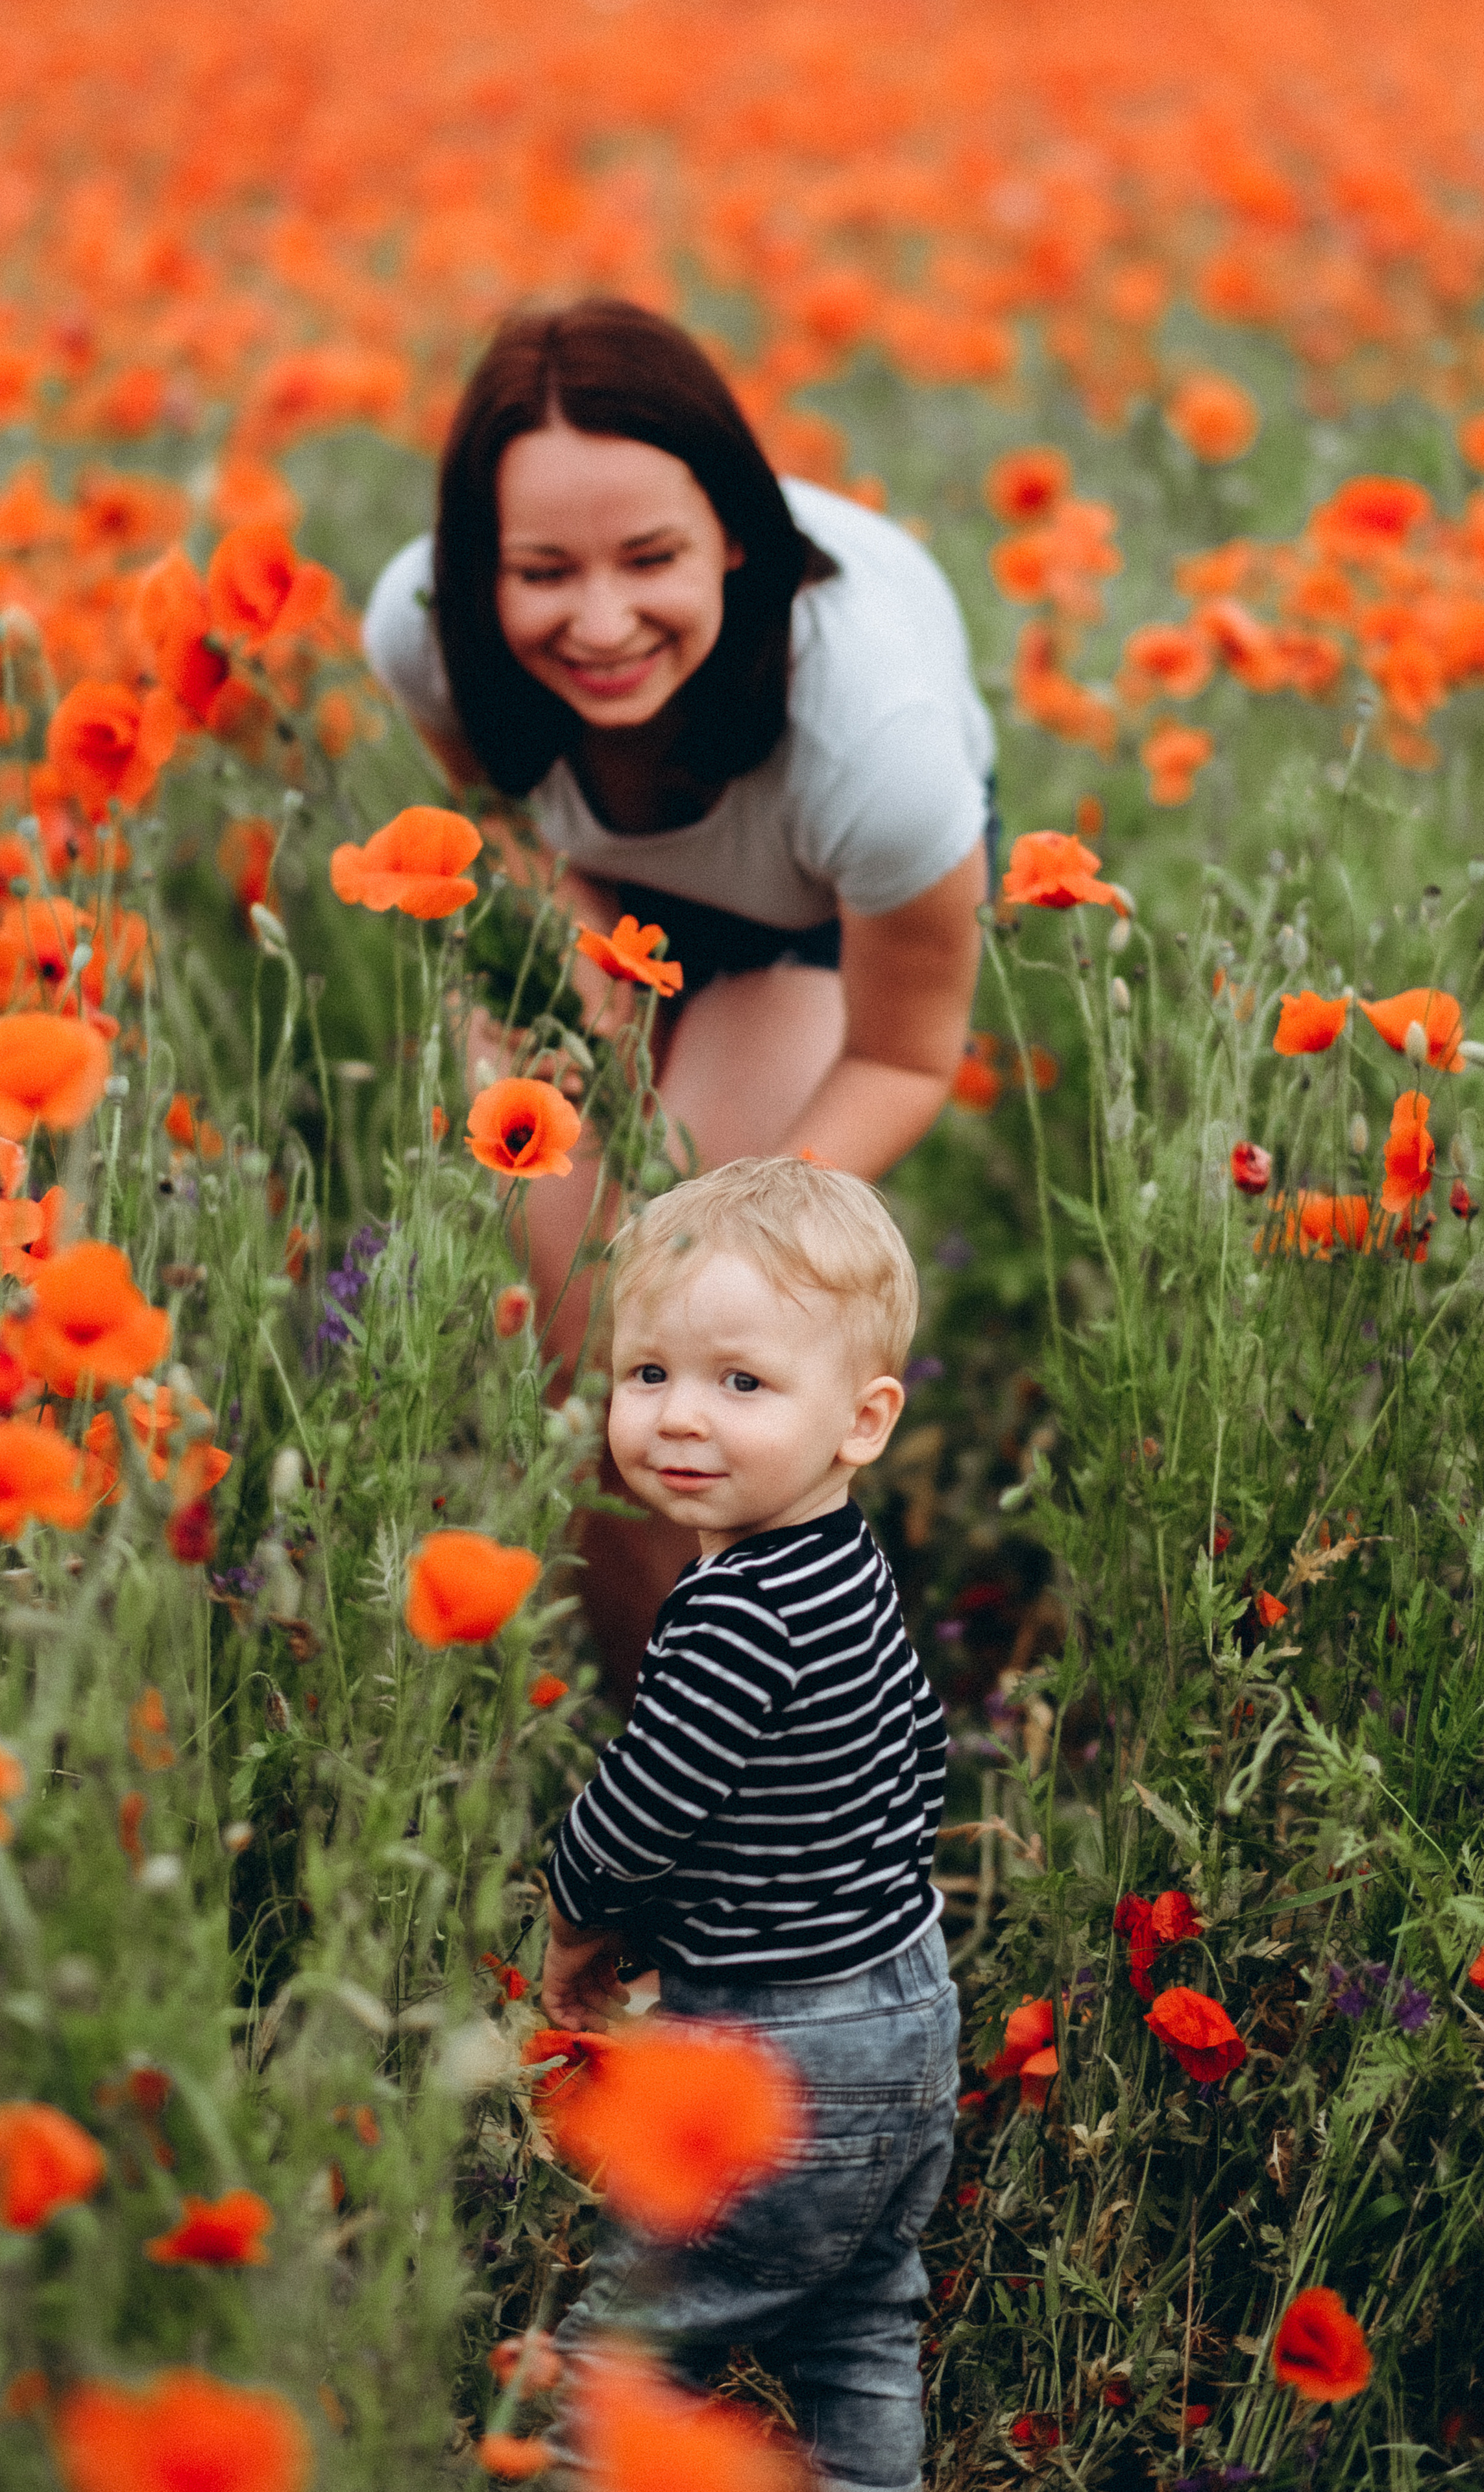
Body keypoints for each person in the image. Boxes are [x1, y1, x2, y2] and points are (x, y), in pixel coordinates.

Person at [362, 297, 993, 1681]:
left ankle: (772, 1728)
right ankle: (641, 1720)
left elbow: (902, 1055)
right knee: (585, 1356)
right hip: (601, 894)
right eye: (542, 572)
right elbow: (509, 828)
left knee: (693, 1343)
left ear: (737, 538)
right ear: (475, 570)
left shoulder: (879, 747)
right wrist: (579, 966)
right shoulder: (422, 632)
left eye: (651, 558)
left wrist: (733, 1238)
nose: (601, 623)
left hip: (811, 916)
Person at [538, 1156, 958, 2492]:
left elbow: (642, 1809)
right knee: (860, 2320)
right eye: (647, 1372)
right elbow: (920, 1748)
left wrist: (575, 1920)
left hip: (780, 2052)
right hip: (910, 2015)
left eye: (740, 1383)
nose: (678, 1416)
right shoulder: (848, 1571)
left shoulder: (732, 1615)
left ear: (863, 1419)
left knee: (630, 2348)